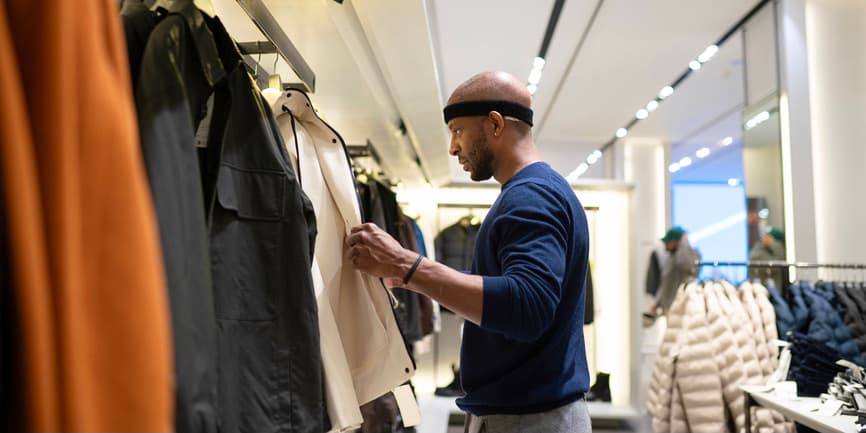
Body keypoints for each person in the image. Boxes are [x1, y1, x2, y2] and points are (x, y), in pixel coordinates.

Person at [346, 71, 592, 433]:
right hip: (527, 415)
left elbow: (529, 306)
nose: (452, 147)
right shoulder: (535, 191)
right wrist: (414, 277)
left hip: (530, 421)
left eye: (458, 130)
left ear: (494, 123)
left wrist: (409, 265)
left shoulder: (532, 196)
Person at [646, 226, 699, 316]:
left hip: (682, 307)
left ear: (676, 242)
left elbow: (689, 267)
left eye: (668, 242)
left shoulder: (688, 256)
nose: (665, 245)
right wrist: (657, 303)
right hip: (669, 306)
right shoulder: (670, 258)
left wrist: (683, 244)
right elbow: (665, 283)